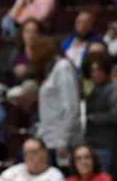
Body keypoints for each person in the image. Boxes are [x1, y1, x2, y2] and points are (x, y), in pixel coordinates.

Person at [34, 36, 82, 170]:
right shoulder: (51, 70)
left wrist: (63, 140)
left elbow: (71, 107)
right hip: (49, 140)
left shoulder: (63, 67)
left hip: (63, 142)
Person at [83, 52, 117, 174]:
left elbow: (115, 115)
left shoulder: (114, 87)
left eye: (98, 70)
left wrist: (89, 118)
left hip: (107, 144)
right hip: (90, 143)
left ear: (105, 69)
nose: (95, 74)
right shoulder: (91, 89)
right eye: (92, 71)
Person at [0, 137, 65, 181]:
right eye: (26, 153)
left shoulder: (55, 175)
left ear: (45, 152)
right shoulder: (15, 170)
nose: (29, 156)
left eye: (33, 152)